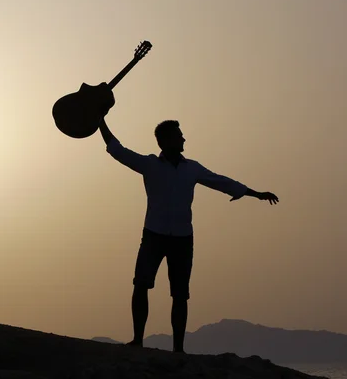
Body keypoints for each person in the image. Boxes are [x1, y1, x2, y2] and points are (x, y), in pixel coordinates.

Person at [96, 87, 279, 353]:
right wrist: (100, 119)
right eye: (179, 136)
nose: (184, 139)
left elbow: (222, 182)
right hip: (154, 234)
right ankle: (138, 339)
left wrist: (255, 194)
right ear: (167, 141)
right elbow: (117, 149)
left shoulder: (191, 168)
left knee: (180, 294)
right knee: (141, 284)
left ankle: (178, 348)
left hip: (182, 238)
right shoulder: (149, 165)